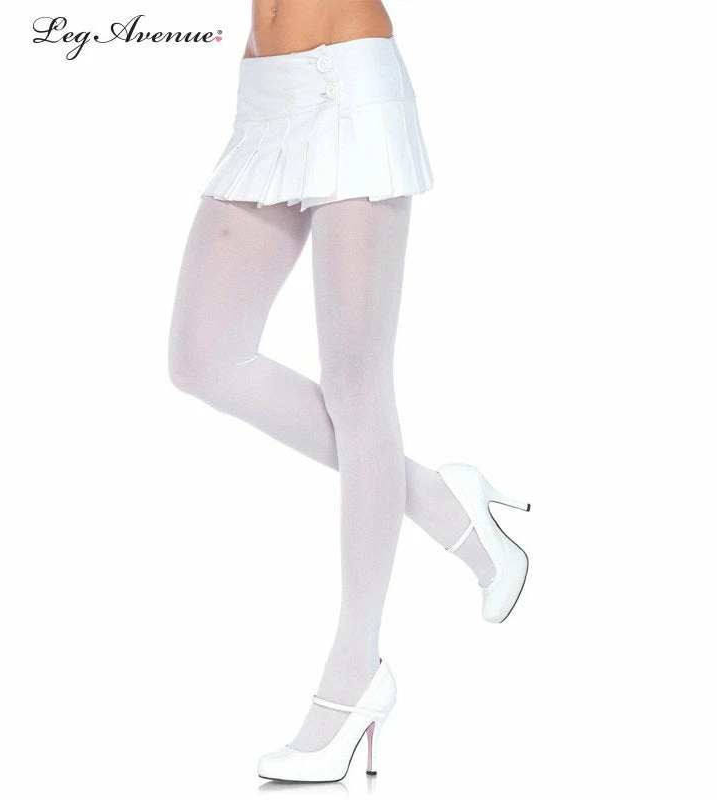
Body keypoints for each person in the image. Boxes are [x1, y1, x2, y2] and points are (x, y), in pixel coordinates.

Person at [167, 0, 531, 782]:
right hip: (266, 93)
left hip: (347, 87)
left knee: (357, 385)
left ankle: (354, 672)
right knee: (203, 358)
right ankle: (441, 503)